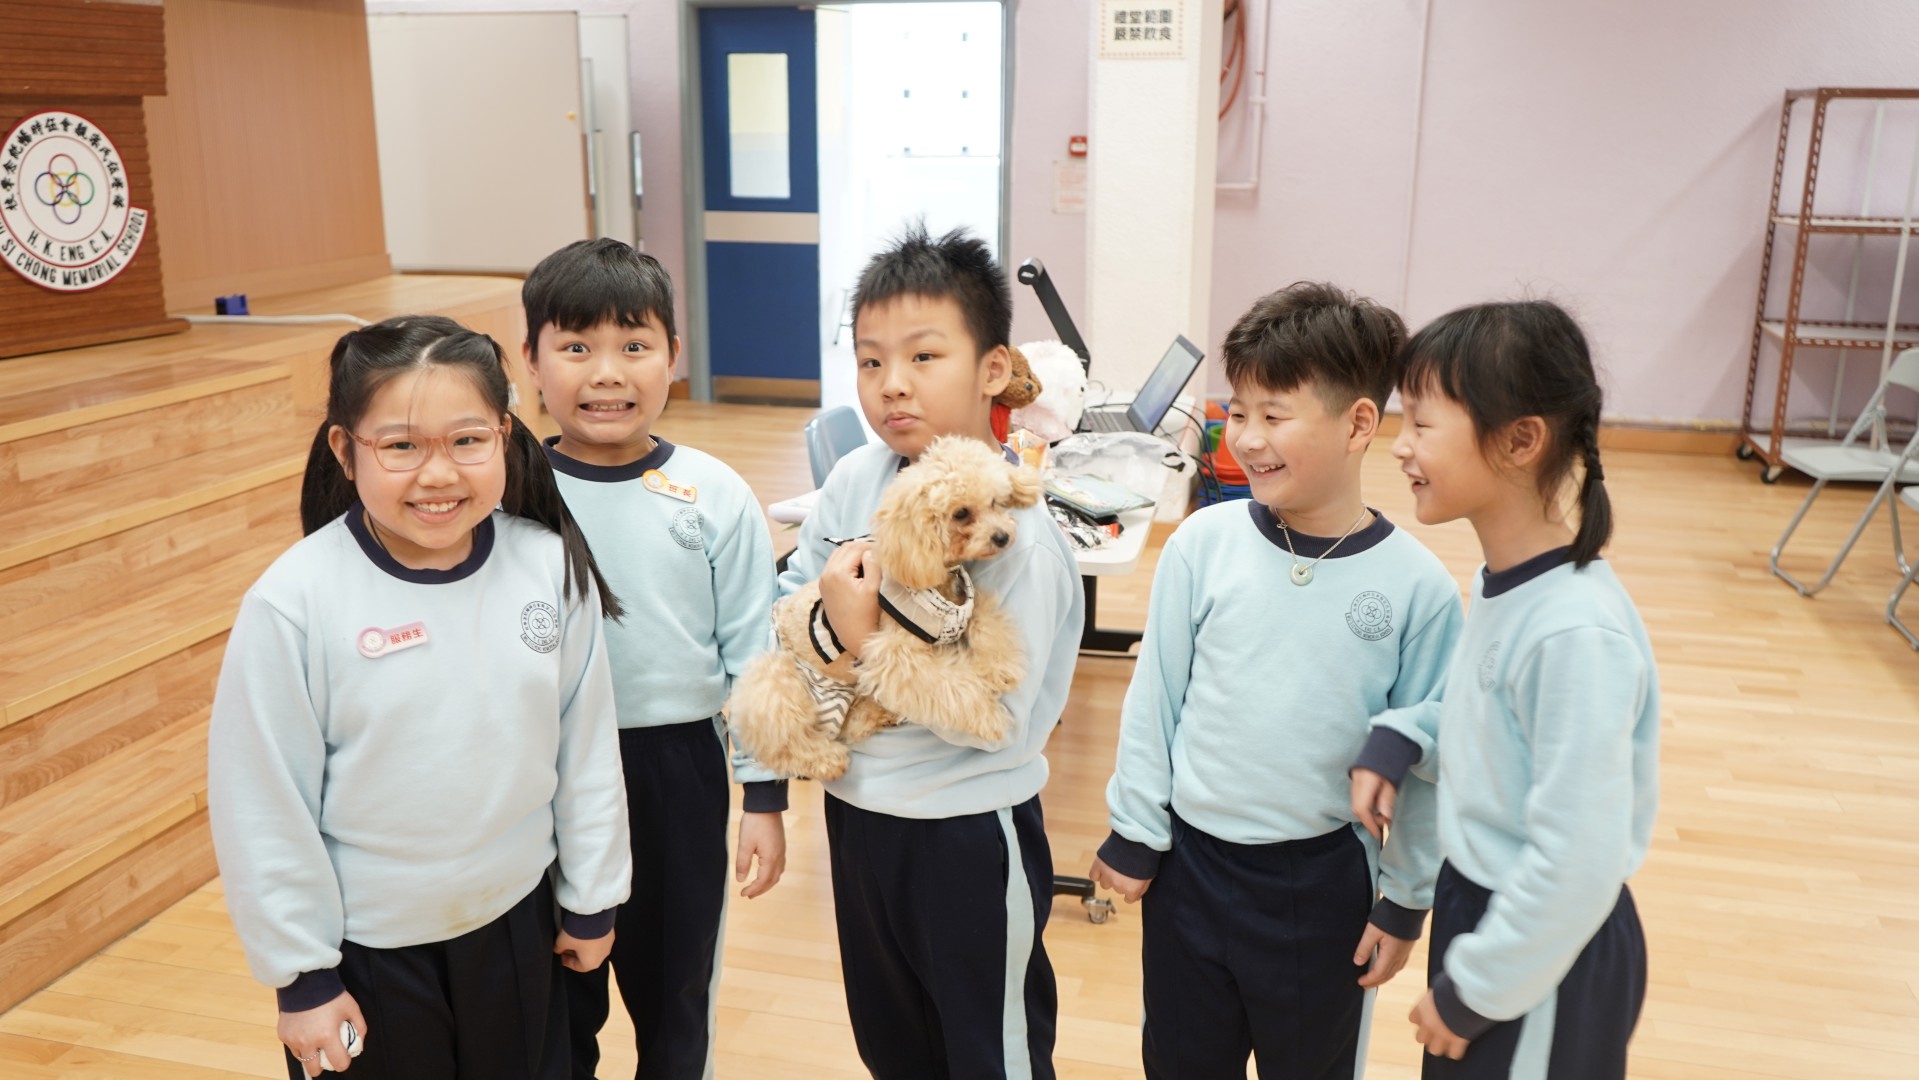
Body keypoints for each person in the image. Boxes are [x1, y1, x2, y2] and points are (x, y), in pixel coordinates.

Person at [209, 315, 631, 1079]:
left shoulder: (547, 565)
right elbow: (262, 804)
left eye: (467, 440)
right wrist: (302, 976)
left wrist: (592, 897)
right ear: (345, 450)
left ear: (504, 435)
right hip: (367, 951)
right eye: (401, 447)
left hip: (520, 923)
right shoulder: (293, 602)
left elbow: (588, 747)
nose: (438, 474)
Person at [1091, 282, 1461, 1078]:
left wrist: (1405, 897)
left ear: (1357, 424)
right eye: (1238, 412)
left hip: (1321, 885)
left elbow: (1431, 761)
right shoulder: (1202, 544)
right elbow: (1154, 699)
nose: (1247, 439)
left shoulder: (1418, 588)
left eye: (1274, 415)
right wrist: (1135, 827)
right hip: (1189, 871)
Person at [775, 223, 1084, 1079]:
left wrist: (859, 639)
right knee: (893, 1043)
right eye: (870, 361)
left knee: (989, 1054)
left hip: (965, 830)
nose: (891, 384)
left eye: (922, 356)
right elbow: (790, 604)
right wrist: (822, 635)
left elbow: (996, 722)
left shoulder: (1014, 536)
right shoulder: (855, 480)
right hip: (856, 812)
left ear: (991, 368)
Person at [1358, 299, 1658, 1077]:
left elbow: (1578, 856)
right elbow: (1488, 721)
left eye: (1422, 423)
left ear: (1520, 440)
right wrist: (1404, 737)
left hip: (1541, 943)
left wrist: (1479, 987)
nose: (1400, 445)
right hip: (1491, 912)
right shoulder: (1508, 584)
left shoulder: (1573, 632)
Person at [521, 237, 787, 1079]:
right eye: (576, 347)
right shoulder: (511, 493)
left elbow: (754, 653)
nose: (607, 373)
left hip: (676, 769)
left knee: (675, 993)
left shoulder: (714, 492)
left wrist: (764, 794)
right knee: (555, 999)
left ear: (673, 354)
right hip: (541, 771)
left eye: (633, 346)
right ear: (530, 361)